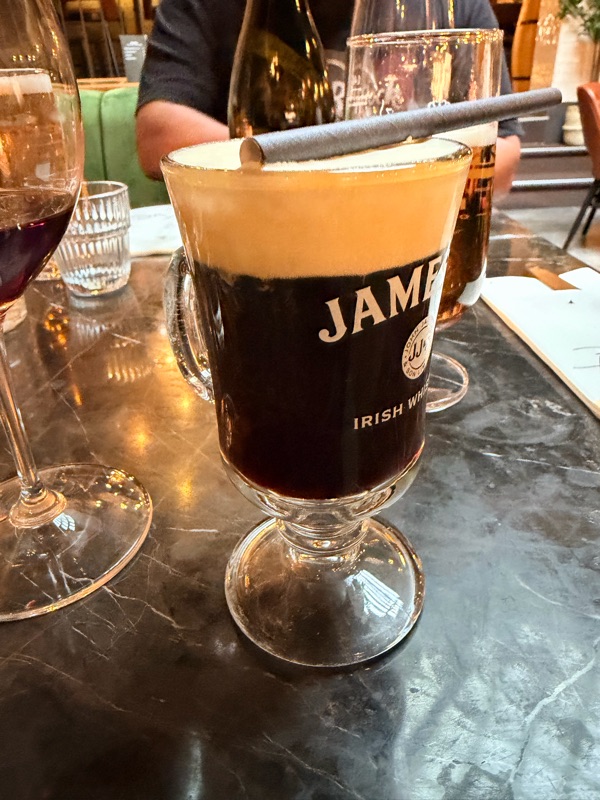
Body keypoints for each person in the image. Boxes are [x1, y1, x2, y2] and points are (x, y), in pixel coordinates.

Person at [136, 0, 522, 196]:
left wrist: (392, 189)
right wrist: (305, 169)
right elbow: (157, 133)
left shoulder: (454, 7)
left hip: (418, 241)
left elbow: (503, 153)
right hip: (256, 227)